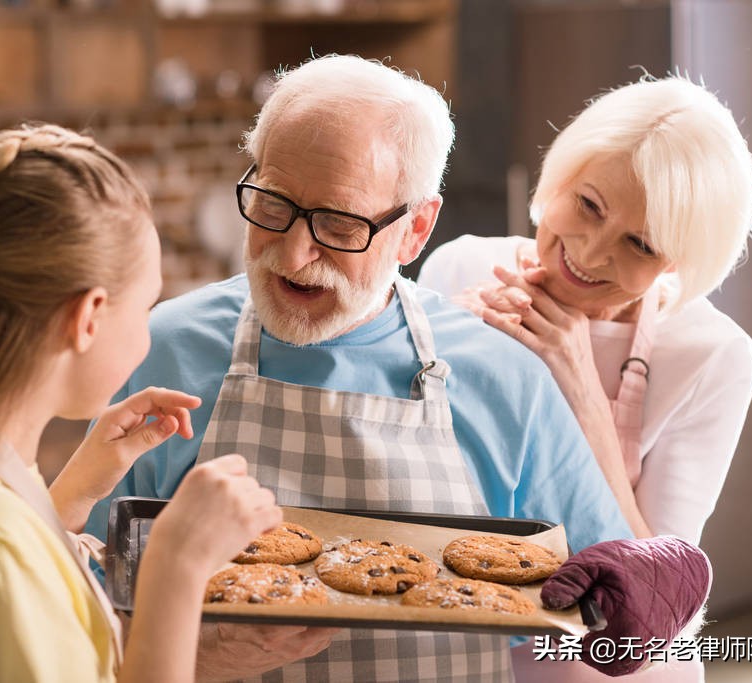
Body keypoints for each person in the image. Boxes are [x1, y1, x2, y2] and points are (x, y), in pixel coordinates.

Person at [87, 55, 713, 681]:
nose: (295, 253)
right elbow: (76, 605)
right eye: (274, 205)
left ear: (415, 230)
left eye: (338, 223)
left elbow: (620, 615)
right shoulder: (166, 347)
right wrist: (204, 656)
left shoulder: (503, 376)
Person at [0, 124, 283, 683]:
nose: (149, 333)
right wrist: (178, 567)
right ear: (88, 317)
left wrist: (72, 495)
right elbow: (2, 563)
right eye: (146, 306)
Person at [419, 75, 752, 681]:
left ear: (679, 259)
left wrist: (575, 380)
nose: (593, 253)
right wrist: (439, 353)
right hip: (459, 646)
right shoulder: (461, 265)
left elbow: (663, 591)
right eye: (588, 205)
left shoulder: (713, 354)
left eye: (639, 243)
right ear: (559, 178)